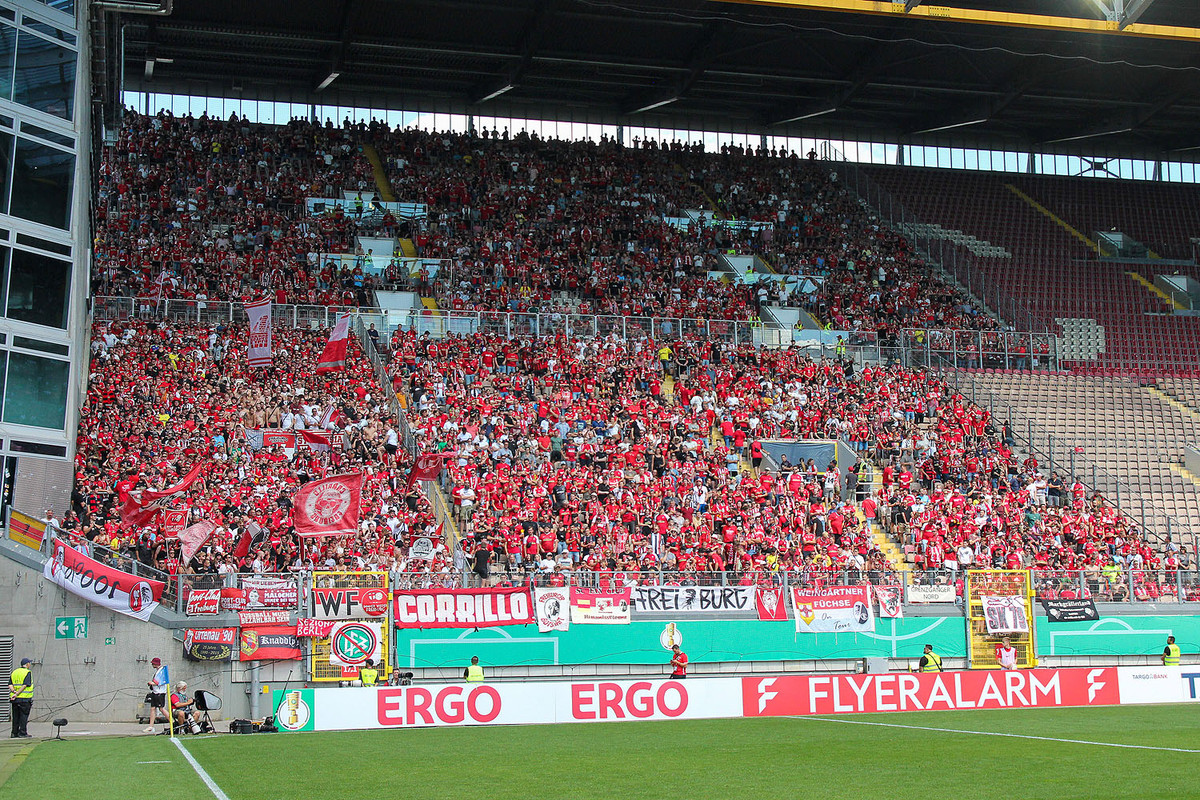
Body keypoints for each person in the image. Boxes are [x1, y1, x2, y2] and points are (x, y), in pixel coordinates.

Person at [9, 657, 33, 738]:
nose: (30, 664)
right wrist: (18, 693)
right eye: (29, 663)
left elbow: (10, 684)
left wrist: (14, 692)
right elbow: (25, 685)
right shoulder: (27, 672)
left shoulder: (14, 672)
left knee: (15, 716)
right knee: (23, 716)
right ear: (27, 664)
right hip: (24, 698)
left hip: (15, 699)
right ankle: (22, 732)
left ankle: (14, 732)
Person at [145, 657, 169, 733]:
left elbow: (158, 682)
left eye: (153, 663)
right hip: (155, 692)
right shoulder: (159, 671)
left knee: (161, 708)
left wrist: (150, 683)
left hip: (159, 693)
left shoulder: (161, 671)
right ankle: (150, 726)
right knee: (153, 708)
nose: (152, 664)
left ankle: (172, 722)